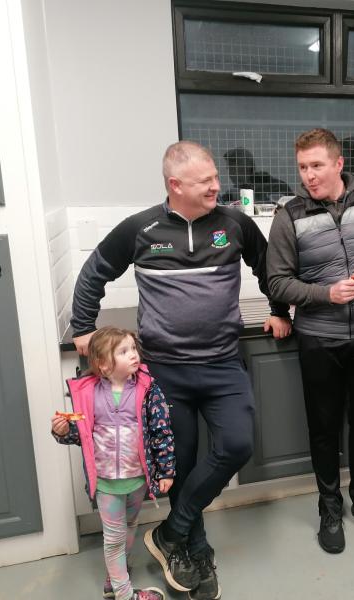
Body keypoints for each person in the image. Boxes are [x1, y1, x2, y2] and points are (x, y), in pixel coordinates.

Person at [70, 141, 292, 600]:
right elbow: (94, 273)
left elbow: (268, 267)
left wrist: (278, 307)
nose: (216, 186)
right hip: (165, 370)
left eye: (215, 177)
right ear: (175, 185)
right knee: (183, 461)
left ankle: (172, 530)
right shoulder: (141, 229)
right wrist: (82, 328)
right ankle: (193, 548)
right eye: (205, 180)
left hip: (223, 363)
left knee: (236, 444)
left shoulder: (235, 224)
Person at [266, 128, 354, 553]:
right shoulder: (289, 215)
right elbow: (277, 281)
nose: (309, 175)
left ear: (338, 163)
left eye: (316, 165)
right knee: (324, 430)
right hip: (319, 340)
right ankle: (330, 506)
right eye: (302, 168)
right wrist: (324, 294)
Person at [52, 327, 175, 600]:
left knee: (130, 525)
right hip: (106, 482)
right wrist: (62, 432)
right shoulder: (89, 394)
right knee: (113, 537)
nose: (134, 355)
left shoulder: (148, 389)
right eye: (123, 351)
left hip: (137, 478)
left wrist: (166, 470)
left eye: (133, 348)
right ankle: (124, 593)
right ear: (103, 364)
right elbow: (81, 435)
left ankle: (113, 579)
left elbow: (161, 431)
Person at [220, 147, 292, 204]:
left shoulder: (274, 186)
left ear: (248, 165)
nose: (231, 173)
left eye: (233, 167)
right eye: (229, 168)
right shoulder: (231, 194)